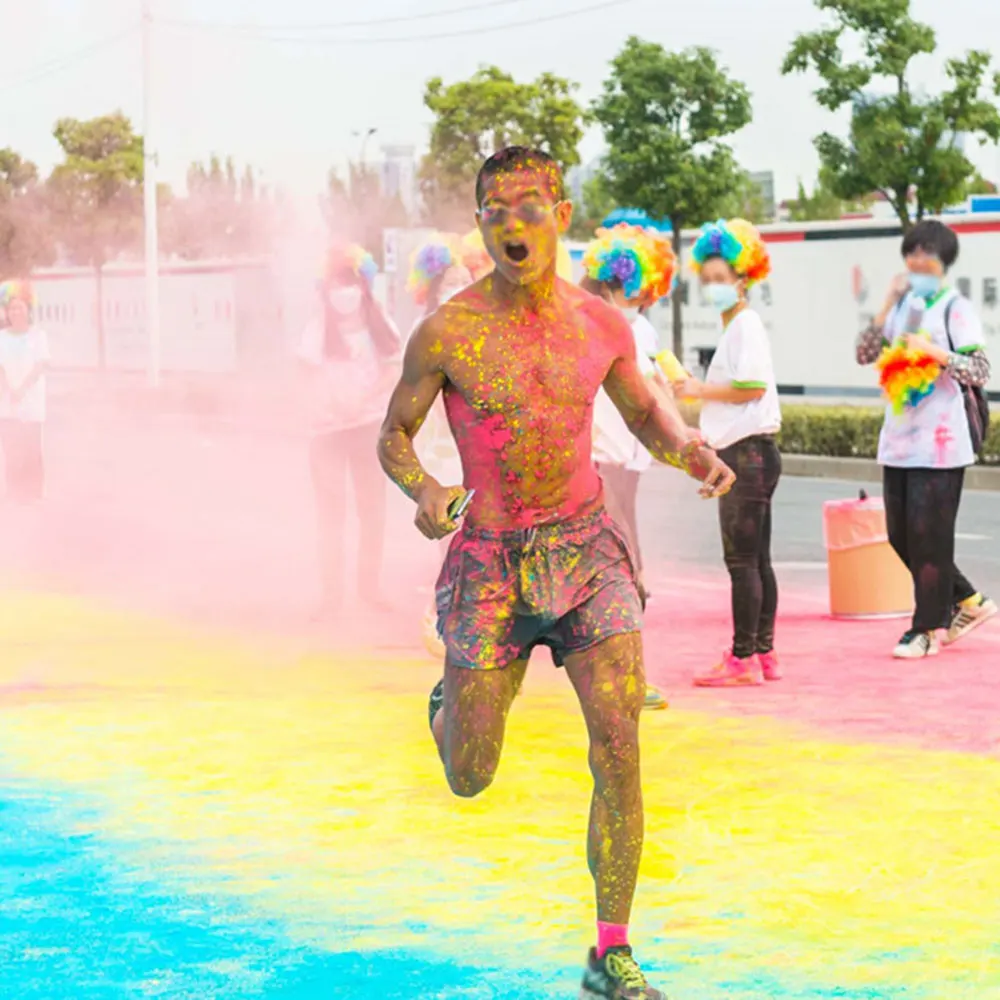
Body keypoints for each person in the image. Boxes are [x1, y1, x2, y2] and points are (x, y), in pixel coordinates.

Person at [377, 146, 735, 999]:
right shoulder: (448, 332)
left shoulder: (600, 326)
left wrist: (688, 449)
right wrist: (426, 490)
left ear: (562, 217)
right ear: (480, 225)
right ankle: (449, 707)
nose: (513, 223)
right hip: (489, 567)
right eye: (495, 210)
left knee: (619, 746)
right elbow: (393, 435)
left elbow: (643, 415)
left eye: (529, 205)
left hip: (587, 558)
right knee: (471, 775)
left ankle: (611, 952)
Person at [855, 219, 996, 658]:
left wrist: (934, 352)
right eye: (911, 253)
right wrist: (885, 305)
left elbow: (980, 370)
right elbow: (864, 353)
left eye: (927, 255)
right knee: (900, 536)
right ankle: (970, 600)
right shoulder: (903, 305)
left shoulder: (955, 307)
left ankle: (926, 629)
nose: (917, 262)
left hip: (941, 442)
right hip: (899, 439)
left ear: (944, 261)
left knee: (929, 537)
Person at [675, 219, 782, 687]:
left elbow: (751, 387)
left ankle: (743, 659)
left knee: (742, 563)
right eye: (708, 279)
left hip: (745, 457)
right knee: (757, 560)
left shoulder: (745, 325)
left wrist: (698, 390)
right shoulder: (738, 326)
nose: (714, 287)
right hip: (754, 452)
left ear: (744, 279)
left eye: (722, 279)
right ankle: (763, 652)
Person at [580, 223, 678, 712]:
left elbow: (658, 388)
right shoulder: (596, 325)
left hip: (627, 465)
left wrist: (684, 437)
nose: (637, 295)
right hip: (601, 462)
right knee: (622, 569)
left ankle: (622, 675)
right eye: (627, 285)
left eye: (643, 286)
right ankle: (624, 677)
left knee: (623, 568)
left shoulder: (641, 329)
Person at [298, 244, 400, 619]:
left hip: (368, 427)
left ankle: (370, 588)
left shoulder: (379, 323)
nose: (345, 292)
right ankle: (331, 596)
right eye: (337, 284)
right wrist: (332, 403)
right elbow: (304, 376)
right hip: (326, 432)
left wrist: (365, 398)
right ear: (325, 290)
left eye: (350, 283)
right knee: (332, 513)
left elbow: (394, 367)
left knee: (372, 510)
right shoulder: (317, 329)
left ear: (363, 285)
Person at [0, 281, 49, 504]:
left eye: (19, 307)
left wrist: (21, 389)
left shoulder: (38, 336)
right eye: (11, 308)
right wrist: (9, 389)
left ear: (28, 309)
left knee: (32, 447)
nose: (15, 312)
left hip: (31, 400)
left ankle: (34, 493)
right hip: (7, 400)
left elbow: (40, 365)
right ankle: (14, 491)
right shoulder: (2, 337)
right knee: (11, 447)